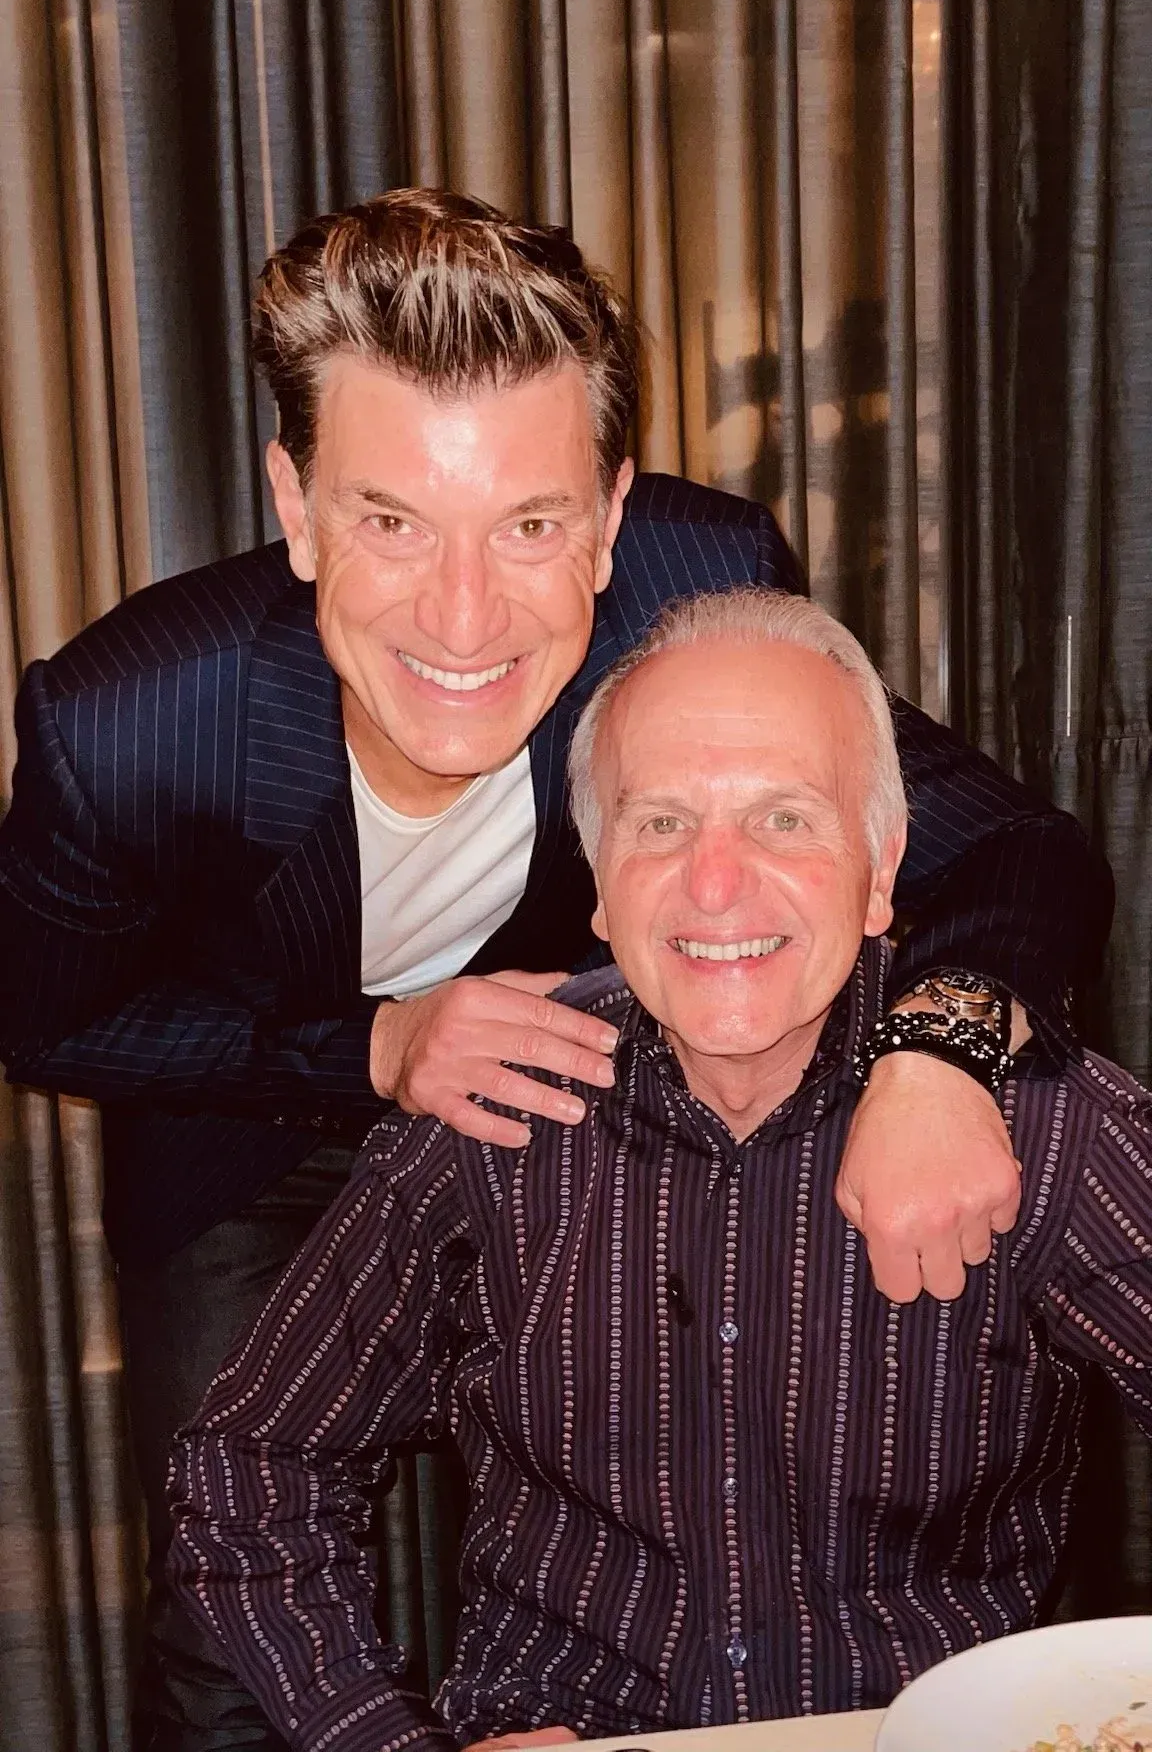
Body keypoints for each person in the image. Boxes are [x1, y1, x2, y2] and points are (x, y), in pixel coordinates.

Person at [0, 193, 1109, 1750]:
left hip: (570, 1099)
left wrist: (939, 1051)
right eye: (392, 521)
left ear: (608, 517)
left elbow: (1016, 851)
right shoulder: (127, 722)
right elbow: (47, 1018)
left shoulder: (697, 588)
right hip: (252, 1135)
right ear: (295, 505)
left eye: (530, 525)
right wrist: (375, 1048)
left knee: (642, 1526)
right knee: (228, 1597)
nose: (464, 615)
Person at [168, 587, 1152, 1746]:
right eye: (661, 823)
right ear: (597, 878)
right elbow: (248, 1470)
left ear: (883, 867)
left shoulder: (1027, 1120)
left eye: (784, 817)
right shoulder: (490, 1117)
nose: (716, 882)